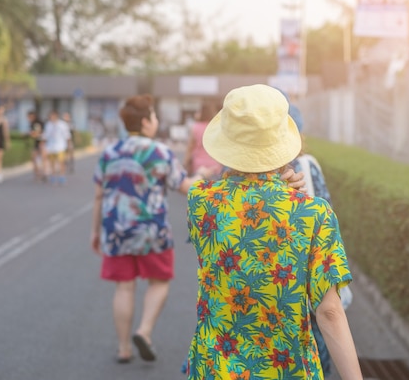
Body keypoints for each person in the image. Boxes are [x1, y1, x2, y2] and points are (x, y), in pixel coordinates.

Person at [91, 94, 306, 365]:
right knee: (158, 282)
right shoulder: (159, 152)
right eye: (154, 117)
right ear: (146, 122)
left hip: (115, 229)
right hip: (151, 230)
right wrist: (203, 174)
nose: (155, 121)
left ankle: (124, 348)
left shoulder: (109, 153)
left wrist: (95, 231)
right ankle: (144, 330)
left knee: (124, 287)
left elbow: (99, 195)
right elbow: (185, 186)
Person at [186, 84, 364, 379]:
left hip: (214, 369)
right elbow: (330, 312)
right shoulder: (313, 213)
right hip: (288, 369)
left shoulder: (200, 200)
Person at [285, 92, 355, 378]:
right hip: (306, 288)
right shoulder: (309, 173)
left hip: (227, 358)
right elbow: (326, 207)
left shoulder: (209, 200)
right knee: (316, 339)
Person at [183, 100, 222, 179]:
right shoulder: (217, 127)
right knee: (214, 190)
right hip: (215, 166)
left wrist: (185, 162)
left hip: (198, 166)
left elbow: (190, 147)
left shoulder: (195, 127)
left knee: (199, 189)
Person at [42, 111, 71, 185]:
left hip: (60, 146)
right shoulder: (48, 125)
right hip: (51, 146)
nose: (51, 118)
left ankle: (62, 176)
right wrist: (44, 146)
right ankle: (53, 175)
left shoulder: (62, 125)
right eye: (50, 116)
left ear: (56, 116)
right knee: (52, 162)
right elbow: (45, 136)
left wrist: (69, 145)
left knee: (61, 162)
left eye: (52, 116)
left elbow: (67, 135)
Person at [27, 111, 46, 181]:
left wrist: (31, 134)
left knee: (40, 158)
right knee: (35, 158)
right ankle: (39, 173)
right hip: (38, 142)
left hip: (41, 142)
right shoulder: (33, 123)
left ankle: (41, 173)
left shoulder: (36, 124)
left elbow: (37, 134)